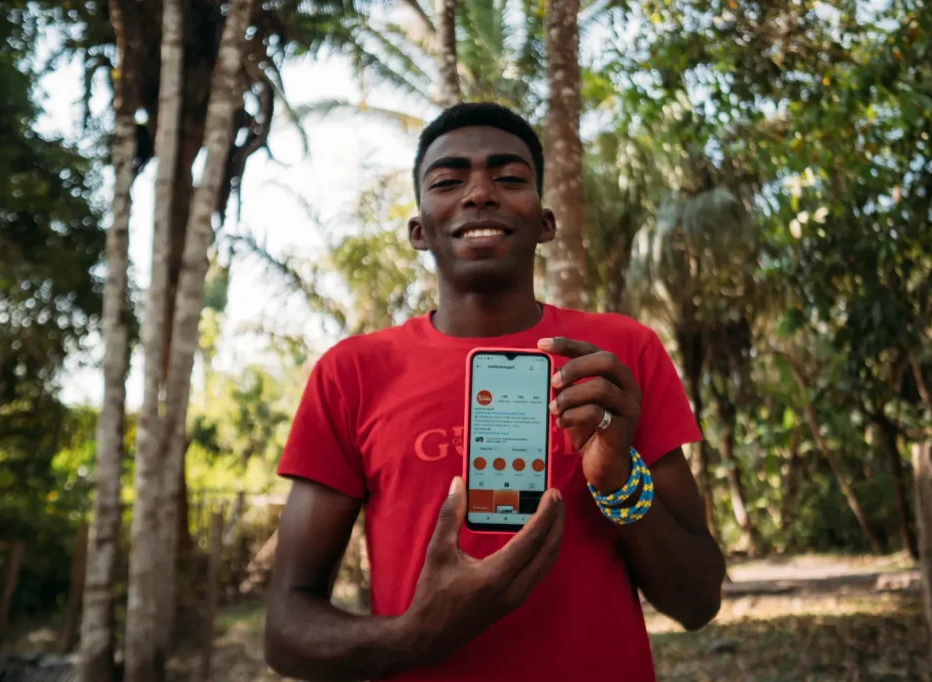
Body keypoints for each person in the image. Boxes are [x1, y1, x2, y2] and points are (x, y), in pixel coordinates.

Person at [264, 102, 726, 682]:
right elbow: (285, 630)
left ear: (546, 223)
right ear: (418, 230)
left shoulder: (618, 355)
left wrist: (615, 480)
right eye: (448, 180)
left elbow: (697, 601)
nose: (480, 193)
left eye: (509, 178)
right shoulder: (351, 372)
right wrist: (416, 635)